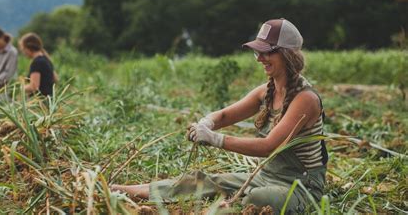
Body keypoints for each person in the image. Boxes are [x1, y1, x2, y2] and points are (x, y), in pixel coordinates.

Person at [111, 19, 328, 213]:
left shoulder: (305, 99)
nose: (259, 58)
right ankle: (128, 190)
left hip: (300, 186)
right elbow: (224, 115)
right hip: (266, 176)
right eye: (257, 52)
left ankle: (234, 206)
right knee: (204, 181)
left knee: (259, 199)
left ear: (287, 54)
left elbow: (269, 146)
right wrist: (207, 123)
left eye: (267, 52)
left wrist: (216, 139)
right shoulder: (266, 91)